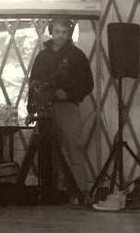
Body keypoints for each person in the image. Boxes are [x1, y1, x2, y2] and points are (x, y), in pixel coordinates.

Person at [29, 19, 97, 189]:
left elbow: (88, 84)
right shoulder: (43, 56)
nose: (60, 36)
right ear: (51, 32)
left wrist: (68, 94)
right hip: (45, 108)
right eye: (57, 31)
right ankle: (52, 191)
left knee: (74, 148)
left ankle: (80, 192)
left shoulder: (76, 56)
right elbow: (33, 83)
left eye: (64, 32)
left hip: (67, 107)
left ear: (69, 34)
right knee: (48, 150)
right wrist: (31, 109)